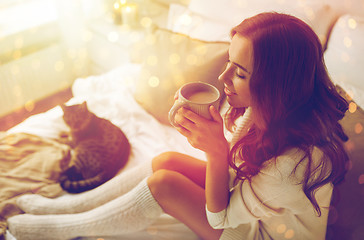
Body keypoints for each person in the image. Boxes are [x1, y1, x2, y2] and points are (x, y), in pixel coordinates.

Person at [8, 12, 349, 240]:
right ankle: (66, 207)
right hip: (254, 202)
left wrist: (215, 151)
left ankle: (56, 227)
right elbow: (239, 168)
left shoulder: (295, 163)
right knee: (165, 160)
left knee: (164, 185)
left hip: (259, 233)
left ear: (276, 84)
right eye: (229, 63)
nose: (223, 77)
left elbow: (222, 218)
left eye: (240, 73)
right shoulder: (268, 110)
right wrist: (191, 122)